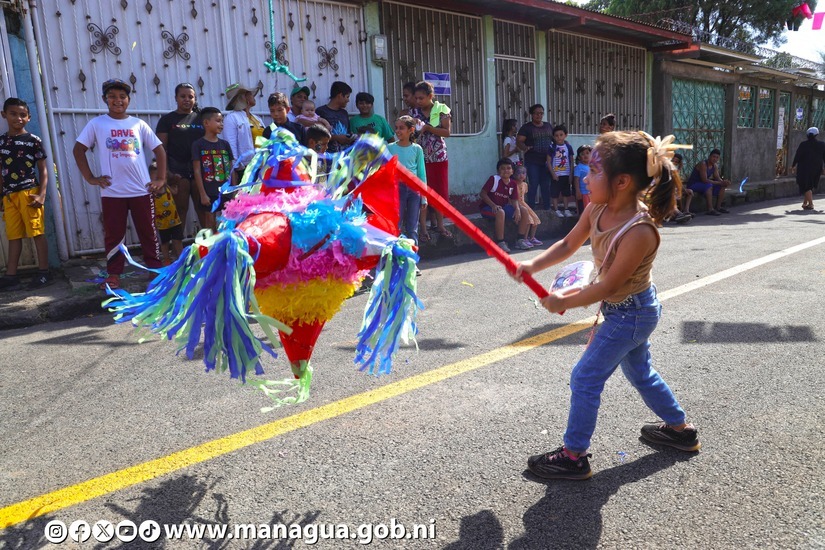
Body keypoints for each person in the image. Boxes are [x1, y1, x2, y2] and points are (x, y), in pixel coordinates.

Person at [513, 131, 700, 480]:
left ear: (623, 181)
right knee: (640, 373)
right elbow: (569, 244)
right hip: (623, 310)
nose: (585, 175)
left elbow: (607, 285)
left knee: (585, 377)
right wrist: (532, 266)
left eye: (595, 170)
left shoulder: (639, 231)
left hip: (633, 313)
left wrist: (561, 301)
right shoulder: (597, 207)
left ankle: (573, 455)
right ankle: (680, 429)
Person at [73, 78, 166, 290]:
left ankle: (154, 269)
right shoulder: (97, 124)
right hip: (112, 192)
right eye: (112, 97)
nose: (117, 100)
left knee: (148, 231)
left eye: (122, 96)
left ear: (129, 100)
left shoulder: (138, 124)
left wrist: (160, 179)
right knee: (114, 234)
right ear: (104, 99)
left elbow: (159, 150)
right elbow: (78, 150)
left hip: (141, 190)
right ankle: (114, 273)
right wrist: (90, 178)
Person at [0, 97, 52, 290]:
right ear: (4, 115)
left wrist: (42, 194)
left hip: (29, 192)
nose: (18, 118)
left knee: (37, 232)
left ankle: (44, 272)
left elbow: (43, 170)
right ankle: (11, 275)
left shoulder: (33, 141)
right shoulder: (1, 143)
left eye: (23, 115)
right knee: (13, 235)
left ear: (29, 118)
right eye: (13, 114)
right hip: (9, 195)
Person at [155, 83, 205, 231]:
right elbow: (160, 149)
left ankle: (209, 248)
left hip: (199, 172)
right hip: (177, 172)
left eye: (191, 97)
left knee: (203, 209)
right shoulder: (166, 121)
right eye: (182, 96)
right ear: (176, 98)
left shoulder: (202, 118)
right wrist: (166, 173)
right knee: (180, 210)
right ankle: (178, 250)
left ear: (195, 99)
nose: (187, 99)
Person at [410, 80, 452, 239]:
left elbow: (447, 132)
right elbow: (411, 133)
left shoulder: (442, 110)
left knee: (439, 192)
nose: (419, 101)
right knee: (423, 192)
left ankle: (440, 226)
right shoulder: (413, 113)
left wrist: (427, 128)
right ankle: (423, 228)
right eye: (417, 98)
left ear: (430, 96)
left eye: (421, 98)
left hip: (438, 157)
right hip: (420, 157)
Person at [191, 107, 234, 231]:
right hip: (209, 192)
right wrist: (203, 194)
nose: (221, 124)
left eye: (222, 121)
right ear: (206, 123)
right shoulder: (198, 145)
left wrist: (234, 190)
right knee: (210, 224)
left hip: (226, 191)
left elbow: (231, 169)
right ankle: (211, 249)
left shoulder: (225, 144)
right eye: (218, 121)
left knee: (229, 223)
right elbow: (197, 171)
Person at [388, 116, 426, 246]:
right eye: (396, 128)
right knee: (396, 226)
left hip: (414, 190)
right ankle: (396, 258)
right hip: (397, 189)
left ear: (411, 130)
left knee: (412, 227)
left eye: (402, 128)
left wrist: (424, 197)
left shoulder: (417, 149)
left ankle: (411, 260)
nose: (398, 131)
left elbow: (421, 174)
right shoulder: (390, 148)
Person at [479, 158, 531, 252]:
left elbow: (514, 199)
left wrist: (517, 209)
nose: (506, 170)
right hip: (488, 208)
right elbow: (482, 194)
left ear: (512, 171)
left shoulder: (512, 183)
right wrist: (493, 205)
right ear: (498, 171)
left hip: (502, 207)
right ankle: (501, 242)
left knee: (524, 210)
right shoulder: (493, 179)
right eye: (503, 168)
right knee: (501, 212)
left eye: (508, 168)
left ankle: (520, 240)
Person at [517, 104, 554, 210]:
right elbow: (519, 141)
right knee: (533, 184)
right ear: (532, 114)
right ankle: (530, 208)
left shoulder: (548, 126)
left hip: (546, 161)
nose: (539, 115)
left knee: (546, 185)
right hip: (532, 161)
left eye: (541, 113)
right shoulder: (526, 127)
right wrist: (525, 148)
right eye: (536, 113)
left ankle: (547, 208)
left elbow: (554, 139)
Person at [222, 82, 263, 177]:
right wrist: (236, 168)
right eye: (250, 94)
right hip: (245, 169)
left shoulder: (257, 119)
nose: (253, 96)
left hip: (263, 167)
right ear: (243, 97)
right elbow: (230, 145)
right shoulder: (231, 118)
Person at [149, 161, 183, 265]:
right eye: (154, 179)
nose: (157, 182)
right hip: (162, 223)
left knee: (177, 239)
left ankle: (181, 257)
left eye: (159, 178)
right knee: (164, 242)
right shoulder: (151, 192)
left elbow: (175, 192)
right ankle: (167, 259)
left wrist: (176, 184)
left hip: (174, 219)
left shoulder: (167, 187)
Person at [686, 149, 731, 216]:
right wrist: (719, 183)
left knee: (722, 186)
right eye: (713, 157)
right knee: (709, 185)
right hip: (693, 184)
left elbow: (717, 178)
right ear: (709, 156)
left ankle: (718, 207)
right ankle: (710, 209)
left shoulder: (714, 166)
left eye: (717, 157)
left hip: (703, 185)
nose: (715, 159)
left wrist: (724, 182)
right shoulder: (703, 164)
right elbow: (705, 180)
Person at [315, 81, 355, 153]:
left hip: (344, 158)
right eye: (347, 97)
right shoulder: (320, 112)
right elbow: (317, 136)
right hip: (328, 157)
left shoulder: (344, 113)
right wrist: (337, 138)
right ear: (340, 95)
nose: (348, 100)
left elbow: (348, 132)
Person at [791, 127, 825, 211]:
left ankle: (811, 204)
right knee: (809, 185)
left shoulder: (803, 144)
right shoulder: (822, 145)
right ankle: (805, 203)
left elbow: (797, 156)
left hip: (804, 168)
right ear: (816, 135)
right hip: (817, 168)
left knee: (805, 185)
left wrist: (793, 165)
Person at [546, 124, 576, 218]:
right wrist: (553, 174)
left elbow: (571, 160)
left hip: (566, 174)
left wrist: (571, 174)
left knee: (565, 193)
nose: (559, 137)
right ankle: (556, 210)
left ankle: (566, 209)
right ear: (553, 137)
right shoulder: (552, 147)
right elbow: (548, 161)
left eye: (561, 135)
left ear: (565, 135)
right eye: (556, 135)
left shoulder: (568, 147)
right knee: (555, 193)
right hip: (556, 174)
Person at [513, 164, 541, 246]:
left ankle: (532, 237)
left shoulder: (525, 185)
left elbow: (523, 196)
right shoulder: (513, 184)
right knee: (528, 220)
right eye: (519, 173)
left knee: (535, 219)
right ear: (514, 174)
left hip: (523, 203)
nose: (521, 175)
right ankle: (524, 239)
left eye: (524, 173)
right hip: (517, 203)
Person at [668, 153, 692, 223]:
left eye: (676, 162)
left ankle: (686, 211)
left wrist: (680, 168)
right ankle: (679, 214)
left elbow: (678, 183)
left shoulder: (675, 170)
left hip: (674, 190)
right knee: (673, 195)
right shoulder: (667, 168)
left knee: (689, 192)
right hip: (668, 191)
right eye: (673, 161)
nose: (674, 163)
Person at [573, 144, 592, 213]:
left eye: (587, 153)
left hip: (592, 193)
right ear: (579, 157)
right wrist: (578, 191)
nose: (585, 155)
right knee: (584, 212)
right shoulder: (579, 167)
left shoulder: (593, 166)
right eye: (582, 154)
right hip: (583, 193)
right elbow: (576, 180)